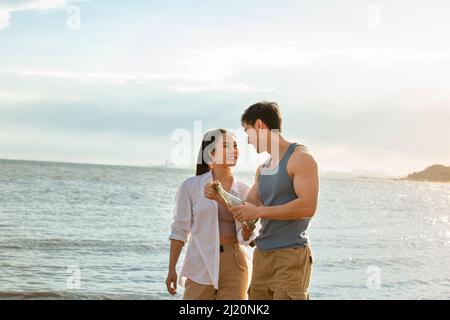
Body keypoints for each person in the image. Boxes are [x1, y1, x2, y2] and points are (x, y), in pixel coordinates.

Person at [205, 101, 319, 300]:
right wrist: (220, 195)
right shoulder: (263, 169)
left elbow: (307, 206)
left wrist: (259, 212)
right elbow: (246, 208)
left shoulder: (300, 158)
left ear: (259, 126)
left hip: (290, 256)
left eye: (247, 132)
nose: (248, 141)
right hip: (262, 256)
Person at [166, 129, 256, 300]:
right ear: (211, 154)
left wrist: (247, 231)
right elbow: (180, 230)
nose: (233, 151)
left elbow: (249, 236)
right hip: (199, 260)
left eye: (235, 146)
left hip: (234, 263)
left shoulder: (244, 191)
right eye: (225, 146)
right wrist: (172, 268)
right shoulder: (191, 187)